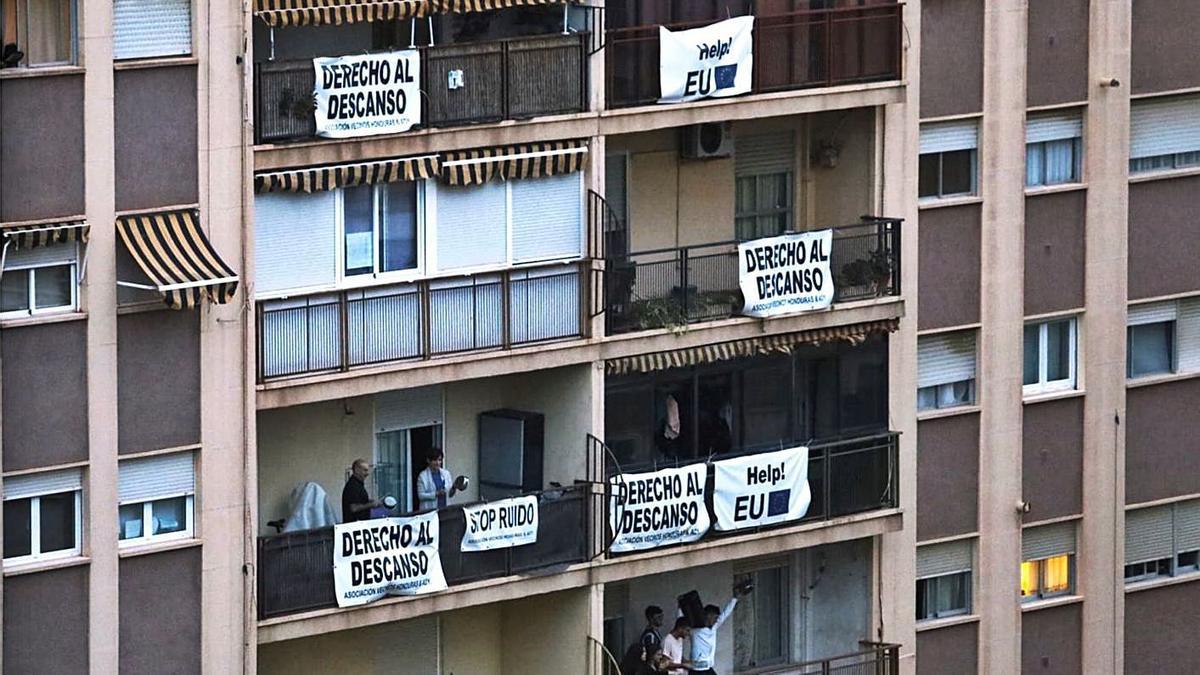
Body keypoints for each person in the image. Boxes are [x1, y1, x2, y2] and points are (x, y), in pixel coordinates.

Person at [690, 582, 753, 675]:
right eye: (715, 617)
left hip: (708, 667)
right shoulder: (695, 630)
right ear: (708, 616)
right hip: (697, 670)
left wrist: (735, 598)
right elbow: (682, 622)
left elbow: (726, 613)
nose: (717, 620)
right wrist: (680, 608)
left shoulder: (714, 626)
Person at [341, 458, 381, 523]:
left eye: (367, 470)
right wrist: (371, 505)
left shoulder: (358, 484)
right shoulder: (352, 486)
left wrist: (370, 501)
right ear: (356, 470)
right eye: (365, 470)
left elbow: (358, 501)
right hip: (354, 527)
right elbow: (354, 508)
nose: (367, 473)